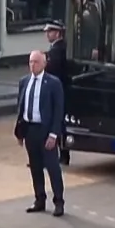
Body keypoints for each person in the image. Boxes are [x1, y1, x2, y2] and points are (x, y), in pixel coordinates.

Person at [14, 50, 65, 217]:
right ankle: (39, 199)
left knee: (52, 167)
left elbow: (58, 110)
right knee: (35, 167)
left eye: (36, 62)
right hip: (30, 129)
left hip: (46, 131)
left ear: (44, 63)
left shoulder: (53, 83)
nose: (32, 65)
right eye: (30, 62)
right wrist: (20, 132)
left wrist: (53, 134)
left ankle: (58, 201)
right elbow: (20, 107)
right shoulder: (24, 82)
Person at [42, 21, 71, 166]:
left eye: (50, 31)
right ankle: (62, 154)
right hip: (59, 90)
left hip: (55, 91)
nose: (47, 34)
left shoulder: (57, 51)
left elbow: (51, 71)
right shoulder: (58, 49)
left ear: (58, 33)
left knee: (54, 123)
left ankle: (60, 154)